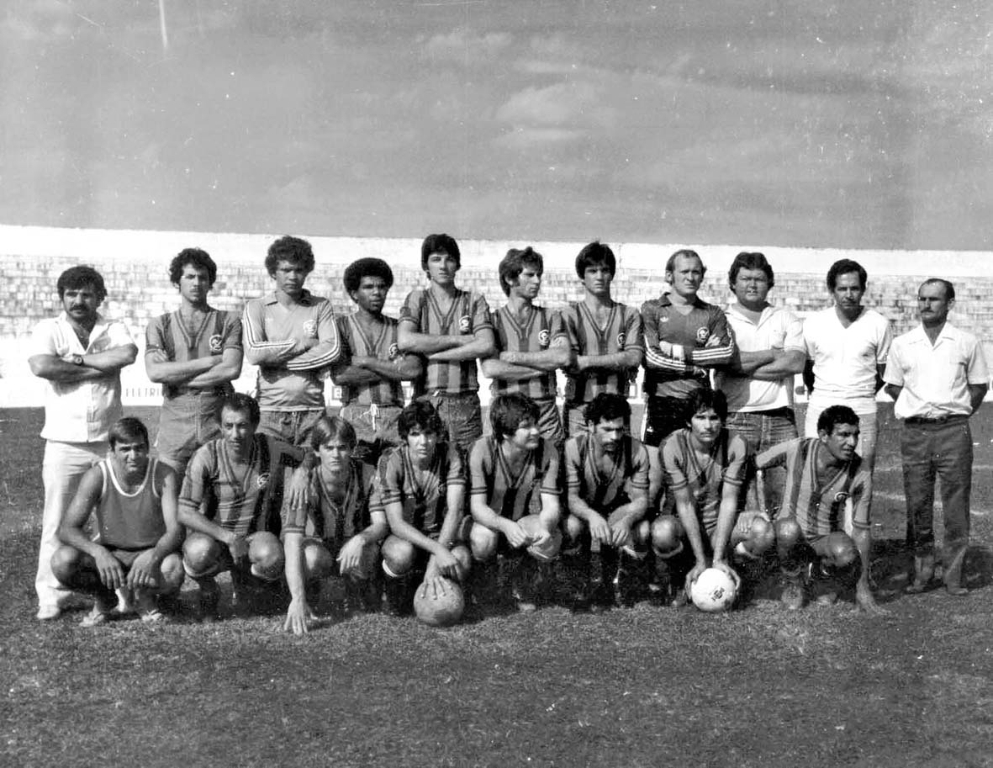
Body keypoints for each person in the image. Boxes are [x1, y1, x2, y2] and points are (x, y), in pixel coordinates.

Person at [28, 265, 138, 620]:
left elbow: (126, 355)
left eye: (86, 294)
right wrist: (97, 367)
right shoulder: (49, 328)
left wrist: (73, 362)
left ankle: (121, 592)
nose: (78, 300)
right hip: (64, 443)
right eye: (72, 294)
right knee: (57, 520)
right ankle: (51, 594)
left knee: (115, 521)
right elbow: (43, 366)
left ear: (99, 297)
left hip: (108, 442)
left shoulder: (113, 326)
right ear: (62, 297)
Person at [883, 279, 989, 596]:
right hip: (915, 432)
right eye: (922, 299)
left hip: (953, 430)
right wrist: (921, 408)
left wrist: (953, 413)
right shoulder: (903, 343)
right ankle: (922, 572)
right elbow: (893, 386)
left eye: (934, 299)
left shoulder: (966, 342)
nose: (926, 304)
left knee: (956, 507)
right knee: (918, 505)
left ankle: (954, 577)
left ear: (949, 304)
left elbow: (979, 386)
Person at [178, 393, 303, 620]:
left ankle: (251, 583)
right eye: (229, 426)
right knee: (197, 553)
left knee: (272, 556)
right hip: (216, 539)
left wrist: (302, 472)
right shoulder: (206, 456)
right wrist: (228, 537)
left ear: (255, 425)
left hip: (255, 538)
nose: (235, 434)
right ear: (220, 426)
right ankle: (208, 589)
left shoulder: (270, 448)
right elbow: (185, 511)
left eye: (243, 426)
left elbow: (307, 456)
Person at [51, 417, 184, 626]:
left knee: (173, 567)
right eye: (125, 449)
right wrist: (98, 552)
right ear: (112, 451)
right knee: (62, 561)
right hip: (111, 552)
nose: (133, 456)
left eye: (139, 448)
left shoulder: (163, 473)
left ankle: (145, 598)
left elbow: (176, 530)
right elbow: (67, 529)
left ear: (148, 447)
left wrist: (154, 555)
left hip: (149, 551)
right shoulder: (98, 475)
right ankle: (105, 597)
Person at [652, 389, 773, 606]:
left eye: (714, 418)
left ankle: (732, 572)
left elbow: (728, 501)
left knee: (762, 532)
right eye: (700, 417)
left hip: (719, 529)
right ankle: (681, 578)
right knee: (662, 533)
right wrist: (700, 559)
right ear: (688, 421)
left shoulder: (736, 443)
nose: (708, 425)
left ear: (723, 420)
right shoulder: (672, 445)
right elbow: (685, 504)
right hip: (685, 527)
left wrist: (718, 557)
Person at [757, 405, 880, 613]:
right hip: (789, 534)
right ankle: (793, 580)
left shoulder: (860, 471)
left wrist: (863, 587)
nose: (852, 442)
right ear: (823, 435)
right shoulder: (797, 449)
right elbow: (753, 463)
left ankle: (819, 575)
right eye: (843, 435)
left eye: (855, 435)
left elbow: (861, 530)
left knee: (847, 554)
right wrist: (756, 508)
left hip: (823, 539)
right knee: (788, 530)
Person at [715, 252, 805, 517]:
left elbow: (795, 364)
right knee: (738, 498)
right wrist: (772, 353)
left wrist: (741, 366)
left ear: (769, 283)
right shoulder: (720, 319)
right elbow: (724, 364)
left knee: (785, 498)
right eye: (745, 278)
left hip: (780, 419)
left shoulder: (785, 318)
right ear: (733, 283)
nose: (752, 285)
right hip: (735, 418)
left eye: (759, 279)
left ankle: (782, 556)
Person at [282, 416, 388, 634]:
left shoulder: (367, 473)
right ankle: (308, 594)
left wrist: (360, 538)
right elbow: (292, 540)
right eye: (328, 448)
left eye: (342, 448)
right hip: (320, 547)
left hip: (352, 545)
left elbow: (381, 524)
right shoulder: (304, 481)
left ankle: (356, 590)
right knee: (309, 556)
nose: (335, 455)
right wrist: (296, 598)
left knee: (368, 550)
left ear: (352, 448)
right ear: (317, 451)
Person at [145, 248, 243, 483]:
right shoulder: (160, 324)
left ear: (210, 283)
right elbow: (155, 372)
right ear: (177, 282)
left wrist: (175, 375)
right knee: (169, 497)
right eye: (190, 276)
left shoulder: (227, 320)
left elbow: (231, 369)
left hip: (215, 416)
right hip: (175, 420)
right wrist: (210, 361)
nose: (196, 283)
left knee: (219, 499)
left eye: (202, 277)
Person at [397, 233, 495, 454]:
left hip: (465, 400)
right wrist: (458, 340)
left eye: (449, 259)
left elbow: (486, 344)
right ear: (426, 265)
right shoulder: (418, 298)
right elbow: (405, 340)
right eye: (436, 259)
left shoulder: (473, 301)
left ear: (457, 265)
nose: (443, 265)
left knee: (468, 468)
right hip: (428, 398)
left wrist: (436, 354)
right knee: (430, 467)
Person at [243, 235, 342, 447]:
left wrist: (276, 360)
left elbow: (331, 350)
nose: (293, 276)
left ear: (306, 271)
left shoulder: (320, 306)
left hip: (312, 412)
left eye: (298, 270)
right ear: (273, 272)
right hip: (269, 412)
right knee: (269, 479)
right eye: (286, 270)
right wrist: (303, 343)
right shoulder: (257, 307)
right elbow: (254, 352)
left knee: (309, 479)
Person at [468, 393, 562, 611]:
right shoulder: (482, 449)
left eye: (536, 424)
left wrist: (546, 528)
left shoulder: (547, 450)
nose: (536, 431)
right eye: (526, 426)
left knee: (551, 537)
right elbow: (477, 507)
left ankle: (523, 579)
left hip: (517, 520)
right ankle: (485, 584)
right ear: (505, 432)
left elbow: (551, 505)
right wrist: (505, 525)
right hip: (484, 523)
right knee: (483, 540)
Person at [378, 400, 472, 616]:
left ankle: (448, 597)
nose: (423, 441)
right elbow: (396, 524)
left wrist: (436, 561)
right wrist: (437, 552)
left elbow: (455, 511)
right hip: (406, 538)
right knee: (400, 553)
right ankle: (395, 597)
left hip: (441, 534)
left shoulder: (452, 453)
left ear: (438, 435)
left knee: (462, 559)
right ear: (404, 437)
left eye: (429, 433)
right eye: (415, 434)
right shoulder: (390, 460)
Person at [560, 393, 653, 610]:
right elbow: (572, 497)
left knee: (643, 530)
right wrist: (592, 516)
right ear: (591, 426)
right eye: (607, 430)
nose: (615, 437)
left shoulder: (637, 450)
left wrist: (627, 521)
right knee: (571, 527)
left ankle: (619, 582)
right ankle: (579, 584)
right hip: (583, 510)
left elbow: (641, 500)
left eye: (620, 430)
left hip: (616, 510)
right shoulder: (574, 447)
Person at [329, 257, 422, 466]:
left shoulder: (400, 328)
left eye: (381, 287)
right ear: (354, 293)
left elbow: (412, 370)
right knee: (359, 480)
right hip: (355, 414)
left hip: (394, 415)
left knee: (394, 480)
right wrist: (392, 367)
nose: (376, 292)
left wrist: (365, 361)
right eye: (368, 287)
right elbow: (341, 374)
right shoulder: (341, 326)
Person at [801, 259, 892, 471]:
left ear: (863, 289)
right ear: (832, 290)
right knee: (816, 476)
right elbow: (809, 370)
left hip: (862, 409)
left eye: (854, 288)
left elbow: (882, 373)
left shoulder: (879, 324)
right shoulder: (814, 323)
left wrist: (857, 393)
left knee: (860, 478)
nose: (848, 294)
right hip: (821, 407)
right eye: (842, 288)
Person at [641, 249, 735, 448]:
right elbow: (652, 358)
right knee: (656, 468)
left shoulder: (713, 313)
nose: (691, 277)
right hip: (662, 402)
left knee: (698, 469)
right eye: (684, 272)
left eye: (696, 272)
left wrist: (676, 351)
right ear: (669, 276)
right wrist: (695, 366)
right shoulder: (652, 309)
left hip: (700, 406)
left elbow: (725, 353)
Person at [481, 247, 572, 447]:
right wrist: (544, 363)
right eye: (530, 275)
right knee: (502, 472)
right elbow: (490, 368)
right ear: (510, 279)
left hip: (544, 411)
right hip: (505, 410)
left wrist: (513, 357)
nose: (537, 280)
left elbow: (563, 357)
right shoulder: (493, 320)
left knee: (551, 470)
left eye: (539, 275)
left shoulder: (550, 316)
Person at [559, 241, 643, 438]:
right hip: (580, 408)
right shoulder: (568, 315)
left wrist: (587, 361)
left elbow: (633, 358)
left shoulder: (629, 314)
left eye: (604, 270)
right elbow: (570, 364)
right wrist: (617, 361)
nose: (599, 276)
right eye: (592, 270)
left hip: (618, 407)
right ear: (582, 276)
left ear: (612, 274)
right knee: (577, 464)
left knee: (618, 466)